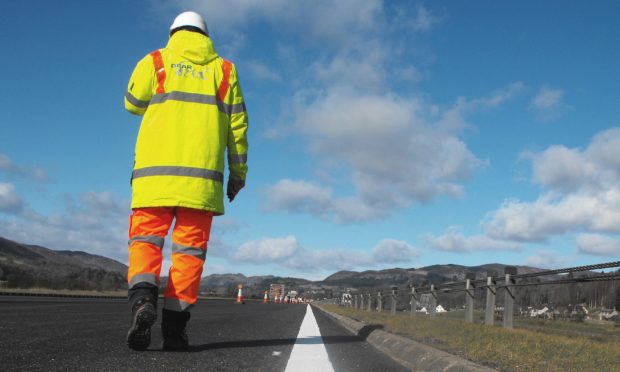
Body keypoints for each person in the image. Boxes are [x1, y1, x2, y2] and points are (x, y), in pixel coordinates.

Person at [123, 11, 248, 351]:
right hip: (202, 184)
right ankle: (175, 332)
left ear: (172, 32)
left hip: (154, 180)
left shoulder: (155, 60)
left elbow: (132, 102)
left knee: (146, 244)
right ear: (206, 36)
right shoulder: (225, 70)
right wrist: (238, 175)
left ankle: (142, 302)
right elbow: (238, 130)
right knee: (189, 256)